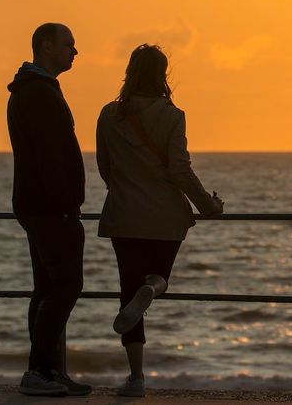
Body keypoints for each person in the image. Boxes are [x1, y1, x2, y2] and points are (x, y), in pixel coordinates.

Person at [96, 44, 224, 397]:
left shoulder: (109, 115)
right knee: (158, 278)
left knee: (127, 293)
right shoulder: (172, 115)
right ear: (163, 75)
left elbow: (104, 167)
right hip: (165, 215)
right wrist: (207, 206)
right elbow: (180, 169)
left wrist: (125, 189)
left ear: (129, 72)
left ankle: (136, 378)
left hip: (124, 214)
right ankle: (152, 290)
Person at [6, 22, 92, 396]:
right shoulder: (38, 94)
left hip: (37, 204)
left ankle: (46, 369)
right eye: (68, 45)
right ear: (46, 47)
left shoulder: (34, 90)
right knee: (66, 284)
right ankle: (39, 370)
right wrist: (64, 205)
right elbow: (48, 157)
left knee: (46, 287)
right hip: (49, 207)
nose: (75, 51)